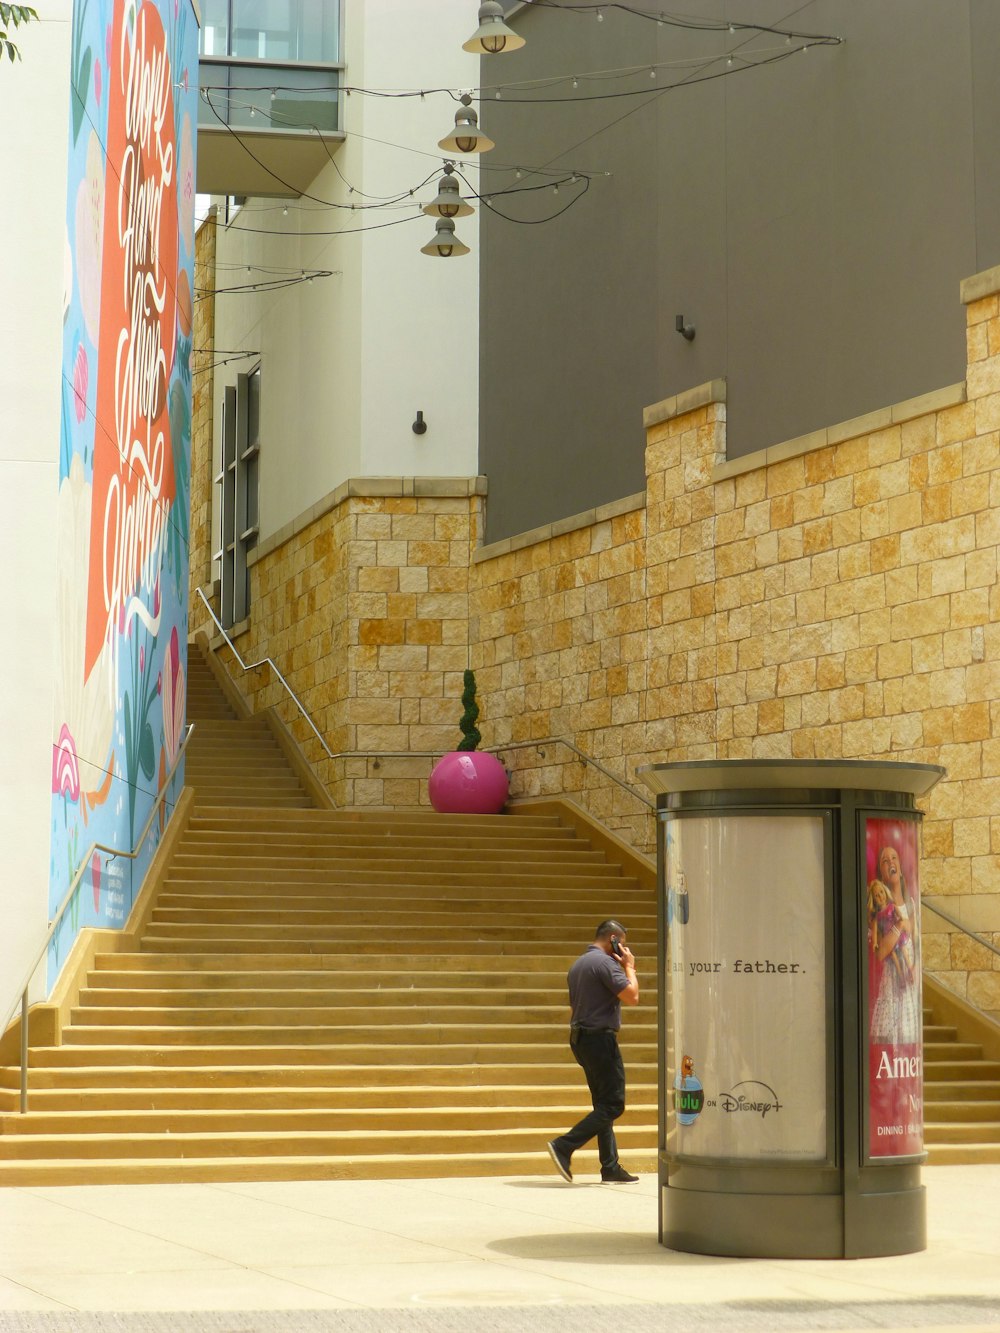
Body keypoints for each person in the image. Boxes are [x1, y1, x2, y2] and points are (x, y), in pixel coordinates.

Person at [546, 919, 640, 1184]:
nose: (623, 948)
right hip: (599, 1040)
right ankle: (564, 1145)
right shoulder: (605, 963)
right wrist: (629, 967)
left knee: (602, 1104)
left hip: (581, 1038)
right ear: (613, 939)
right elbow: (632, 996)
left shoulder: (579, 964)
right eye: (621, 943)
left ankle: (610, 1166)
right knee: (613, 1104)